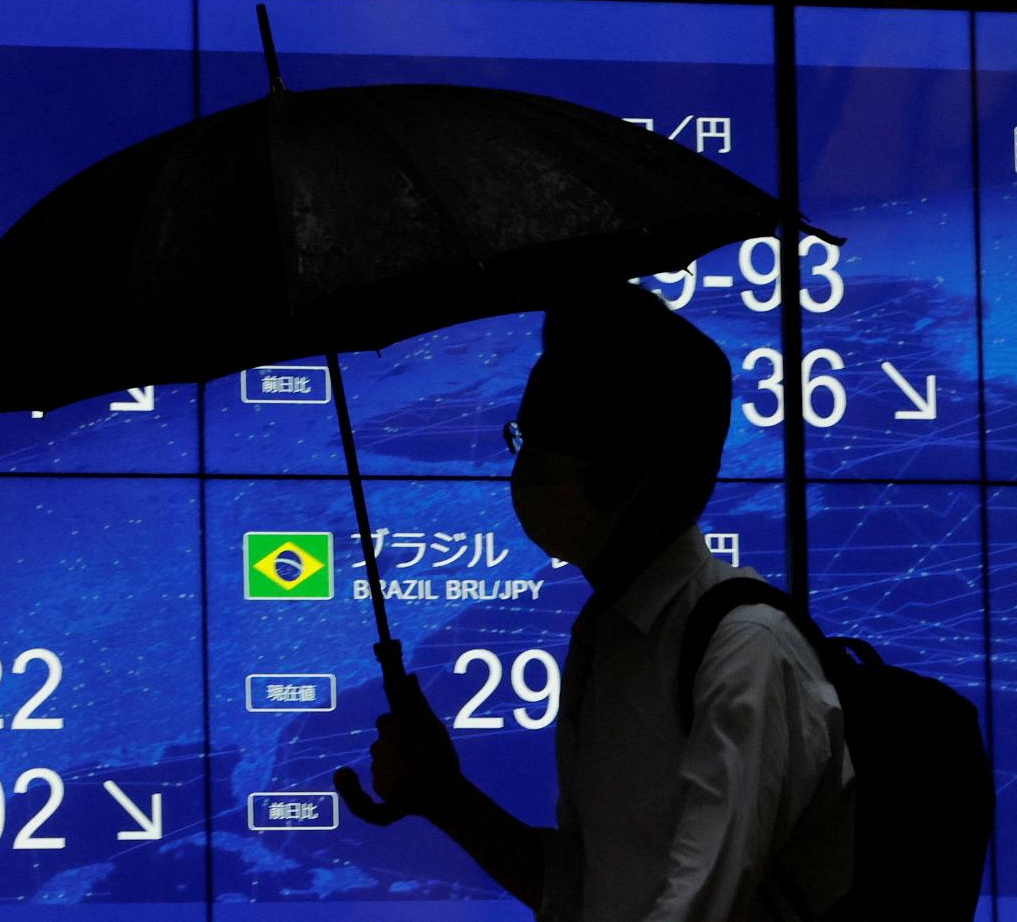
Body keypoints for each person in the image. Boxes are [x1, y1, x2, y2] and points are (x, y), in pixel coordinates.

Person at [334, 282, 855, 919]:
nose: (527, 474)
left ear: (633, 471)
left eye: (554, 449)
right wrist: (446, 796)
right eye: (525, 439)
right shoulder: (606, 632)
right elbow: (588, 888)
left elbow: (696, 911)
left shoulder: (744, 650)